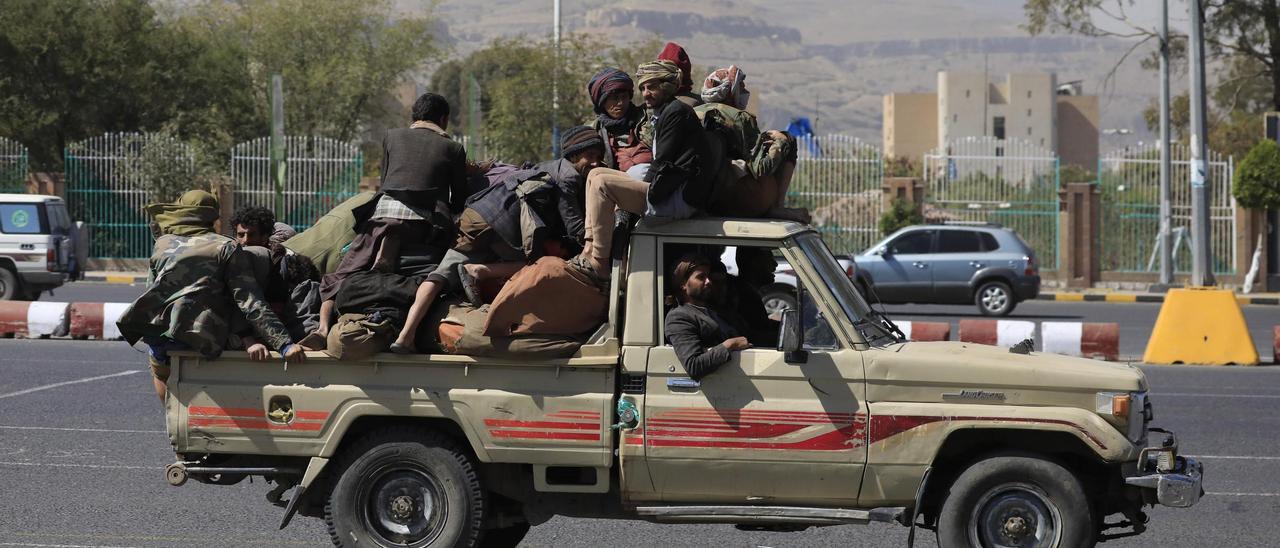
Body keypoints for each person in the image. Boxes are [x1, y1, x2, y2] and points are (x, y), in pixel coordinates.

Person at [389, 128, 606, 353]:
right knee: (538, 267)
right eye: (589, 156)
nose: (595, 163)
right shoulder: (569, 176)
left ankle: (405, 336)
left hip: (475, 217)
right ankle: (479, 271)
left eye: (599, 157)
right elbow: (574, 227)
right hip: (500, 225)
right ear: (573, 155)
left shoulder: (546, 167)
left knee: (439, 275)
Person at [116, 190, 305, 404]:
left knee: (159, 370)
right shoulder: (225, 247)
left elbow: (151, 289)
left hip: (157, 333)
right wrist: (284, 343)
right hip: (199, 336)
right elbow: (250, 300)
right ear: (213, 216)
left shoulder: (162, 243)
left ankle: (172, 416)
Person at [316, 92, 467, 337]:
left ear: (415, 115)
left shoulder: (391, 137)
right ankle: (410, 330)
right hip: (425, 224)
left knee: (345, 270)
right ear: (444, 118)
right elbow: (460, 199)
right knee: (440, 272)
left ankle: (323, 327)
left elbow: (386, 181)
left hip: (382, 216)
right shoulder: (453, 148)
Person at [569, 60, 716, 286]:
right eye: (643, 88)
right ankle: (589, 248)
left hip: (672, 198)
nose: (645, 94)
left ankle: (599, 260)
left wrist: (639, 192)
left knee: (602, 184)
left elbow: (662, 162)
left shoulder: (675, 112)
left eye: (652, 87)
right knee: (595, 174)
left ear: (668, 86)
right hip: (665, 190)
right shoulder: (663, 114)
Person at [696, 66, 809, 223]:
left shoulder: (694, 112)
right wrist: (780, 142)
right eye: (741, 86)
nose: (744, 91)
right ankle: (777, 206)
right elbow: (761, 168)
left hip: (700, 198)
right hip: (735, 198)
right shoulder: (740, 117)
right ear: (731, 91)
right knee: (788, 137)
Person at [664, 254, 751, 379]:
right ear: (683, 284)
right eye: (701, 277)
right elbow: (694, 366)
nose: (708, 282)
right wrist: (730, 344)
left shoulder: (714, 309)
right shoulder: (679, 317)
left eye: (708, 276)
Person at [586, 67, 652, 178]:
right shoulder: (592, 131)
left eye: (624, 97)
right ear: (602, 101)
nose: (620, 103)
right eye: (615, 98)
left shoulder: (647, 118)